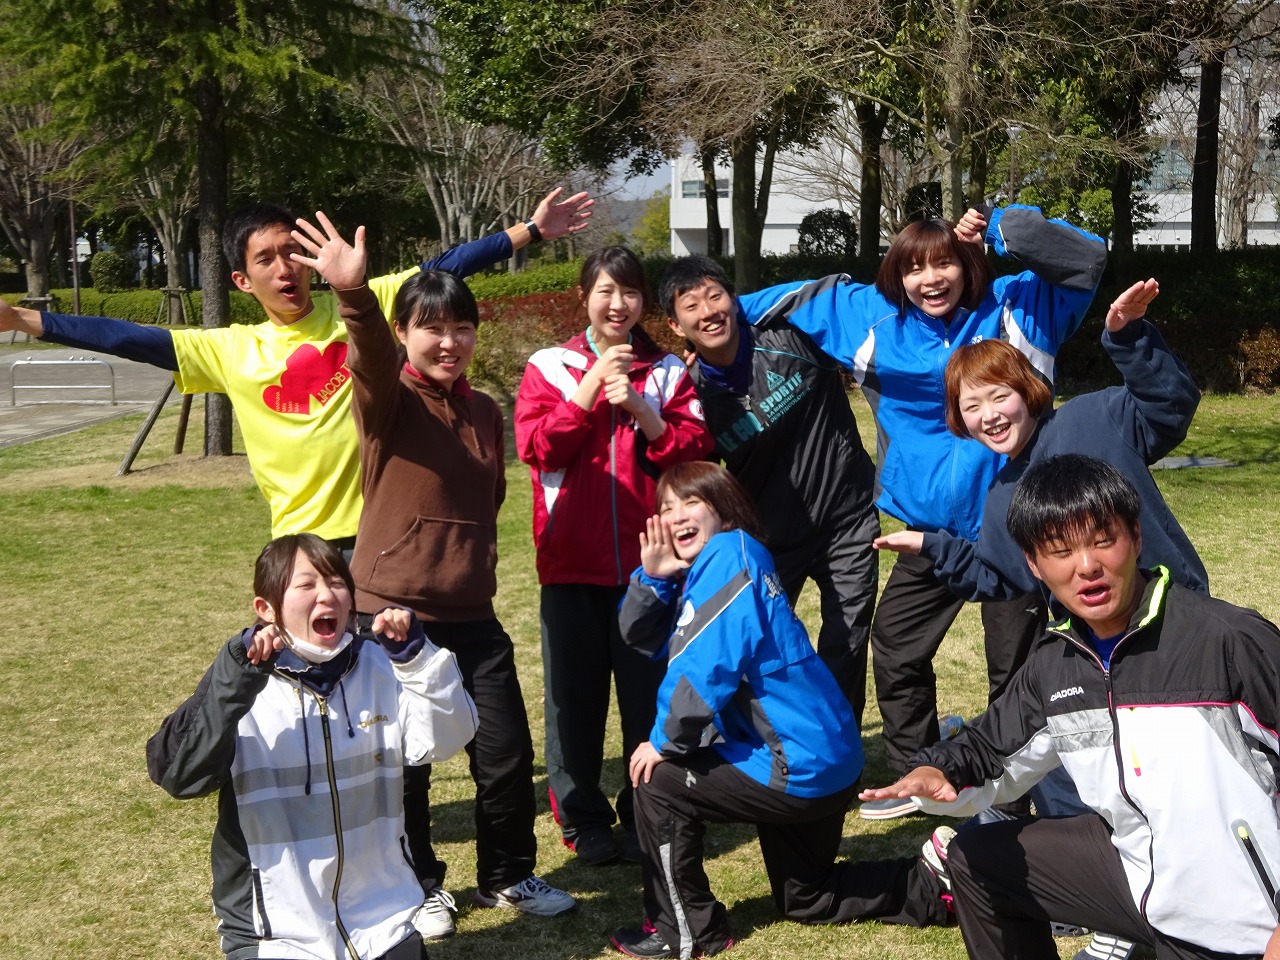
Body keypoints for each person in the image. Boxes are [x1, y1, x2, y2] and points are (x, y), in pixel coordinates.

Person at [659, 205, 1107, 815]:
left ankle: (1005, 797)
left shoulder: (1018, 307)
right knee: (896, 648)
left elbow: (1086, 258)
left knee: (1014, 669)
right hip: (930, 534)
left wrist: (1000, 226)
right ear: (895, 275)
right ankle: (916, 773)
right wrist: (695, 347)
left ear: (966, 264)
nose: (931, 279)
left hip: (1015, 525)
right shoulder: (868, 318)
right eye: (914, 268)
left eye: (944, 264)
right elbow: (743, 308)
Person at [856, 455, 1280, 960]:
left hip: (1246, 920)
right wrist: (936, 769)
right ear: (1035, 564)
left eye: (1102, 540)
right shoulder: (1054, 666)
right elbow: (990, 749)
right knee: (975, 856)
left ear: (1135, 536)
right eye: (1060, 551)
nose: (1086, 566)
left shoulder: (1229, 640)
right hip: (1140, 876)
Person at [0, 188, 593, 544]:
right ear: (243, 279)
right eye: (266, 259)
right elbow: (128, 337)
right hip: (302, 545)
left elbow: (447, 266)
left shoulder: (357, 305)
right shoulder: (230, 350)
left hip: (385, 530)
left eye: (292, 252)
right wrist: (24, 319)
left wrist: (530, 231)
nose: (284, 268)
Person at [289, 213, 575, 939]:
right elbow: (369, 359)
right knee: (403, 763)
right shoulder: (387, 398)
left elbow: (489, 496)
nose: (449, 342)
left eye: (462, 328)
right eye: (431, 329)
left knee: (504, 753)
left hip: (473, 612)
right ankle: (418, 886)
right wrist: (353, 295)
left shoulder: (484, 409)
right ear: (405, 333)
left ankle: (507, 874)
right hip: (392, 614)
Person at [145, 533, 478, 960]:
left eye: (338, 583)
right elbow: (179, 776)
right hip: (275, 934)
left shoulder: (381, 664)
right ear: (266, 609)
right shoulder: (242, 680)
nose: (327, 595)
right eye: (306, 585)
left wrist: (417, 660)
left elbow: (447, 739)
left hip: (384, 919)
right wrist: (235, 680)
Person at [610, 461, 866, 959]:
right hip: (826, 760)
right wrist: (654, 578)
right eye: (666, 507)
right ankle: (932, 882)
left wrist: (663, 743)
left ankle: (686, 933)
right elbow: (638, 635)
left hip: (797, 762)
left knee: (657, 781)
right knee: (808, 896)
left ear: (723, 508)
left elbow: (706, 666)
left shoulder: (729, 553)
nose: (676, 516)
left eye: (691, 502)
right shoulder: (721, 562)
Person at [514, 247, 713, 866]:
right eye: (604, 291)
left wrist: (641, 409)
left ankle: (646, 809)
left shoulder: (668, 372)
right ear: (584, 297)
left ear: (643, 301)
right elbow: (538, 448)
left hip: (651, 567)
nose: (617, 304)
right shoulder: (550, 366)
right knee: (572, 702)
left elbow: (693, 457)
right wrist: (589, 390)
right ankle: (583, 820)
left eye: (629, 292)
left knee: (648, 697)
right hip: (570, 563)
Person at [874, 277, 1208, 609]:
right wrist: (930, 545)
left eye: (1000, 397)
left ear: (1026, 391)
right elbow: (995, 574)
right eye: (972, 407)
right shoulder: (1003, 495)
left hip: (1173, 610)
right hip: (1090, 633)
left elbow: (1171, 406)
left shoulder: (1095, 417)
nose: (989, 416)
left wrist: (1127, 337)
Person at [655, 256, 881, 716]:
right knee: (759, 648)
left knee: (847, 641)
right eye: (692, 305)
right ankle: (769, 744)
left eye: (716, 296)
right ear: (676, 325)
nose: (708, 312)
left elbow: (841, 297)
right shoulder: (692, 394)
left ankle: (840, 745)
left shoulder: (792, 338)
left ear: (734, 299)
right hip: (767, 539)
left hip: (847, 521)